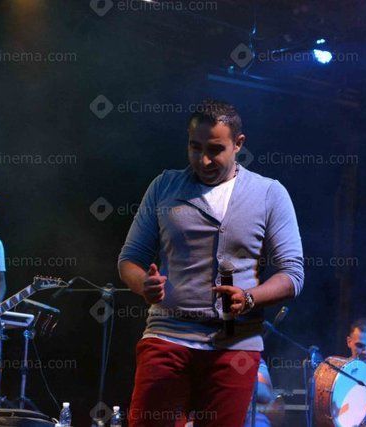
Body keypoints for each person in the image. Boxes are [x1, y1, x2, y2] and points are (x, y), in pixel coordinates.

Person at [118, 99, 304, 426]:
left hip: (236, 345)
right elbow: (129, 259)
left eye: (215, 149)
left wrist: (249, 298)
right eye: (195, 147)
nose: (203, 160)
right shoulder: (164, 186)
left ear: (238, 144)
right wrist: (142, 285)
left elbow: (292, 274)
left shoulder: (269, 193)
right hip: (167, 335)